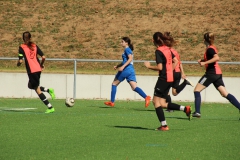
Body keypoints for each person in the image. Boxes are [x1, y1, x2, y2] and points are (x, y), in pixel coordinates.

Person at [144, 32, 191, 131]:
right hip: (170, 78)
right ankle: (184, 108)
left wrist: (149, 66)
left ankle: (164, 125)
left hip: (163, 79)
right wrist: (170, 71)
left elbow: (160, 67)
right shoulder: (168, 49)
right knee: (162, 103)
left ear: (153, 41)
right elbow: (176, 61)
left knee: (155, 102)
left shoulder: (158, 51)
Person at [193, 32, 240, 118]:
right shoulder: (210, 49)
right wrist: (203, 60)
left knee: (196, 90)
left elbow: (216, 58)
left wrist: (205, 63)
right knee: (224, 93)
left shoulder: (210, 49)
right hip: (217, 73)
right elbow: (212, 58)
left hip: (211, 74)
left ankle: (197, 112)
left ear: (205, 40)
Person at [104, 37, 151, 108]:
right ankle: (146, 97)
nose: (121, 43)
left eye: (122, 41)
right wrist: (118, 65)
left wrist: (122, 67)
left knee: (114, 84)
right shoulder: (127, 50)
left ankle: (112, 102)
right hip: (131, 70)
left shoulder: (127, 49)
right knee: (134, 87)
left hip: (126, 69)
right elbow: (125, 61)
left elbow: (130, 58)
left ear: (126, 43)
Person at [17, 31, 56, 113]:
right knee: (30, 85)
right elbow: (44, 57)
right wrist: (41, 65)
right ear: (30, 38)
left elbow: (20, 61)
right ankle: (48, 90)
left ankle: (50, 107)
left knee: (37, 90)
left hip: (32, 71)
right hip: (38, 70)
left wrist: (18, 64)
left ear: (23, 38)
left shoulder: (22, 47)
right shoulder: (35, 46)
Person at [163, 32, 194, 112]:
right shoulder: (175, 51)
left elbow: (175, 62)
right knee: (174, 92)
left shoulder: (168, 51)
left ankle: (170, 108)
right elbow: (179, 62)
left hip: (172, 72)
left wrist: (168, 70)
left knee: (165, 90)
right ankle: (185, 83)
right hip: (178, 73)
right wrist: (182, 73)